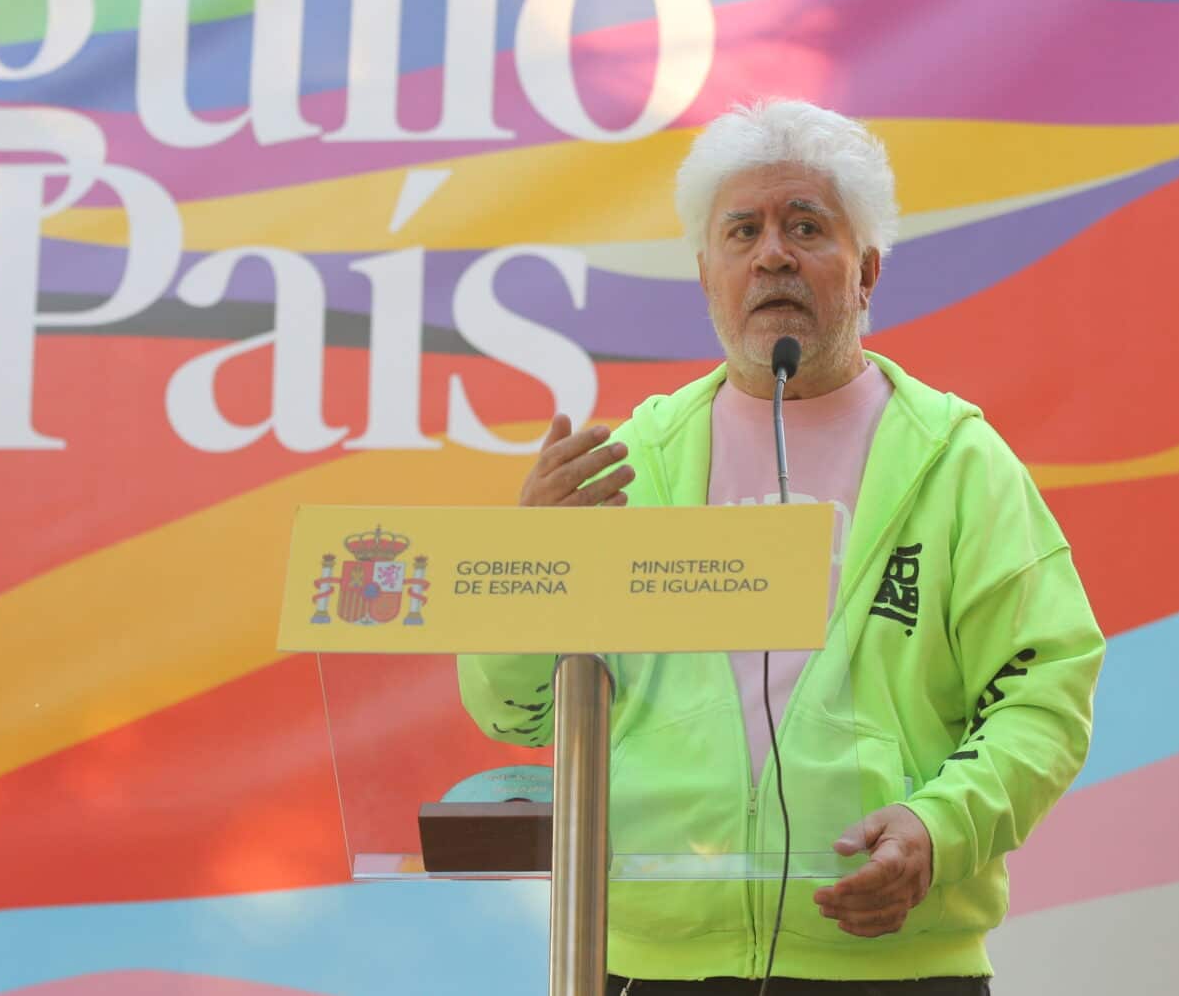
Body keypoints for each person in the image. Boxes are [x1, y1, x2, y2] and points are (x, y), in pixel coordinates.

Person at [460, 99, 1105, 993]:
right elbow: (518, 712)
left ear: (868, 270)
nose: (772, 253)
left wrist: (939, 826)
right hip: (655, 962)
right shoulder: (629, 466)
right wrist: (523, 571)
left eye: (806, 226)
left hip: (894, 960)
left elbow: (1045, 693)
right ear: (705, 274)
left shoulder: (958, 462)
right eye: (742, 231)